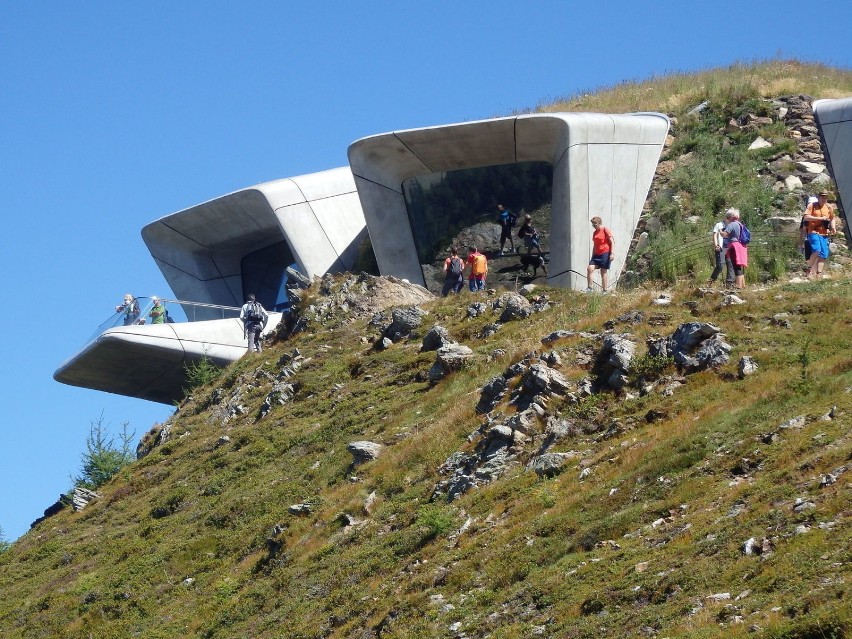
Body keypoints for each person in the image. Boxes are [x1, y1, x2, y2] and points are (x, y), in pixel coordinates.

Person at [802, 190, 836, 280]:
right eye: (822, 197)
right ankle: (809, 269)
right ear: (818, 197)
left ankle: (818, 273)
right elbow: (806, 217)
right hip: (813, 231)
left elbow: (832, 218)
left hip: (824, 233)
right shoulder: (812, 206)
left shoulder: (829, 207)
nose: (823, 199)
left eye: (825, 197)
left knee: (824, 253)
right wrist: (820, 218)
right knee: (817, 250)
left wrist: (833, 227)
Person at [720, 208, 747, 289]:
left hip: (733, 247)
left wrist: (720, 231)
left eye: (728, 217)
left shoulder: (732, 224)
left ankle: (738, 286)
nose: (727, 219)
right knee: (739, 266)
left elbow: (724, 234)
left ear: (731, 217)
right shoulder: (740, 224)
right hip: (740, 246)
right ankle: (743, 285)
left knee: (735, 266)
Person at [586, 217, 614, 292]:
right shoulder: (594, 233)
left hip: (605, 253)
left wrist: (612, 253)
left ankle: (605, 290)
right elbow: (595, 245)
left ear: (599, 223)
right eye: (592, 224)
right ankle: (590, 289)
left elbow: (612, 242)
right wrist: (592, 256)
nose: (594, 226)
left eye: (595, 224)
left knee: (603, 271)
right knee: (590, 268)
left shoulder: (605, 229)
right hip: (596, 255)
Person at [708, 213, 728, 286]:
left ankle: (729, 283)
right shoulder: (719, 225)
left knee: (730, 265)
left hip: (729, 247)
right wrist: (716, 245)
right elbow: (715, 235)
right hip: (721, 247)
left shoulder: (731, 225)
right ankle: (711, 281)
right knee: (720, 265)